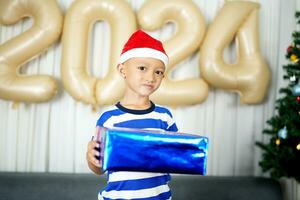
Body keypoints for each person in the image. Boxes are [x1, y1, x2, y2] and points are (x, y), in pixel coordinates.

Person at [86, 29, 178, 200]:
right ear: (122, 70)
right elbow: (99, 169)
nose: (151, 77)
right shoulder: (109, 119)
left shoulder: (164, 117)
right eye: (142, 68)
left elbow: (174, 159)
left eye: (158, 72)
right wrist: (92, 158)